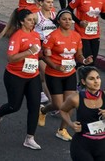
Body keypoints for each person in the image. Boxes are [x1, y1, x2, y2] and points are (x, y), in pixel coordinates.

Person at [0, 8, 43, 150]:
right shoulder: (17, 36)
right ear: (21, 22)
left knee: (34, 106)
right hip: (15, 75)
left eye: (33, 20)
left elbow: (37, 54)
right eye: (29, 20)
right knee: (14, 106)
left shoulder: (36, 35)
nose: (32, 22)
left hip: (33, 75)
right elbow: (11, 58)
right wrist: (28, 52)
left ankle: (29, 138)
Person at [41, 8, 91, 141]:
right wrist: (56, 66)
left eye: (70, 19)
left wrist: (84, 60)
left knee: (70, 104)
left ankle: (61, 130)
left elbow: (78, 55)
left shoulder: (76, 36)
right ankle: (43, 111)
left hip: (69, 73)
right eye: (64, 19)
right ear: (58, 21)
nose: (68, 21)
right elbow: (44, 56)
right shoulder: (52, 36)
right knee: (58, 105)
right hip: (54, 74)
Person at [59, 66, 105, 161]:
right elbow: (63, 110)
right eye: (91, 79)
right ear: (83, 82)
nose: (96, 81)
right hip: (82, 145)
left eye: (98, 77)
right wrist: (71, 124)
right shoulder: (75, 98)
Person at [69, 0, 105, 64]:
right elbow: (68, 10)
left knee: (93, 60)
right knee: (86, 59)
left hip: (95, 33)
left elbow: (103, 15)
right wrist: (79, 22)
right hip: (82, 34)